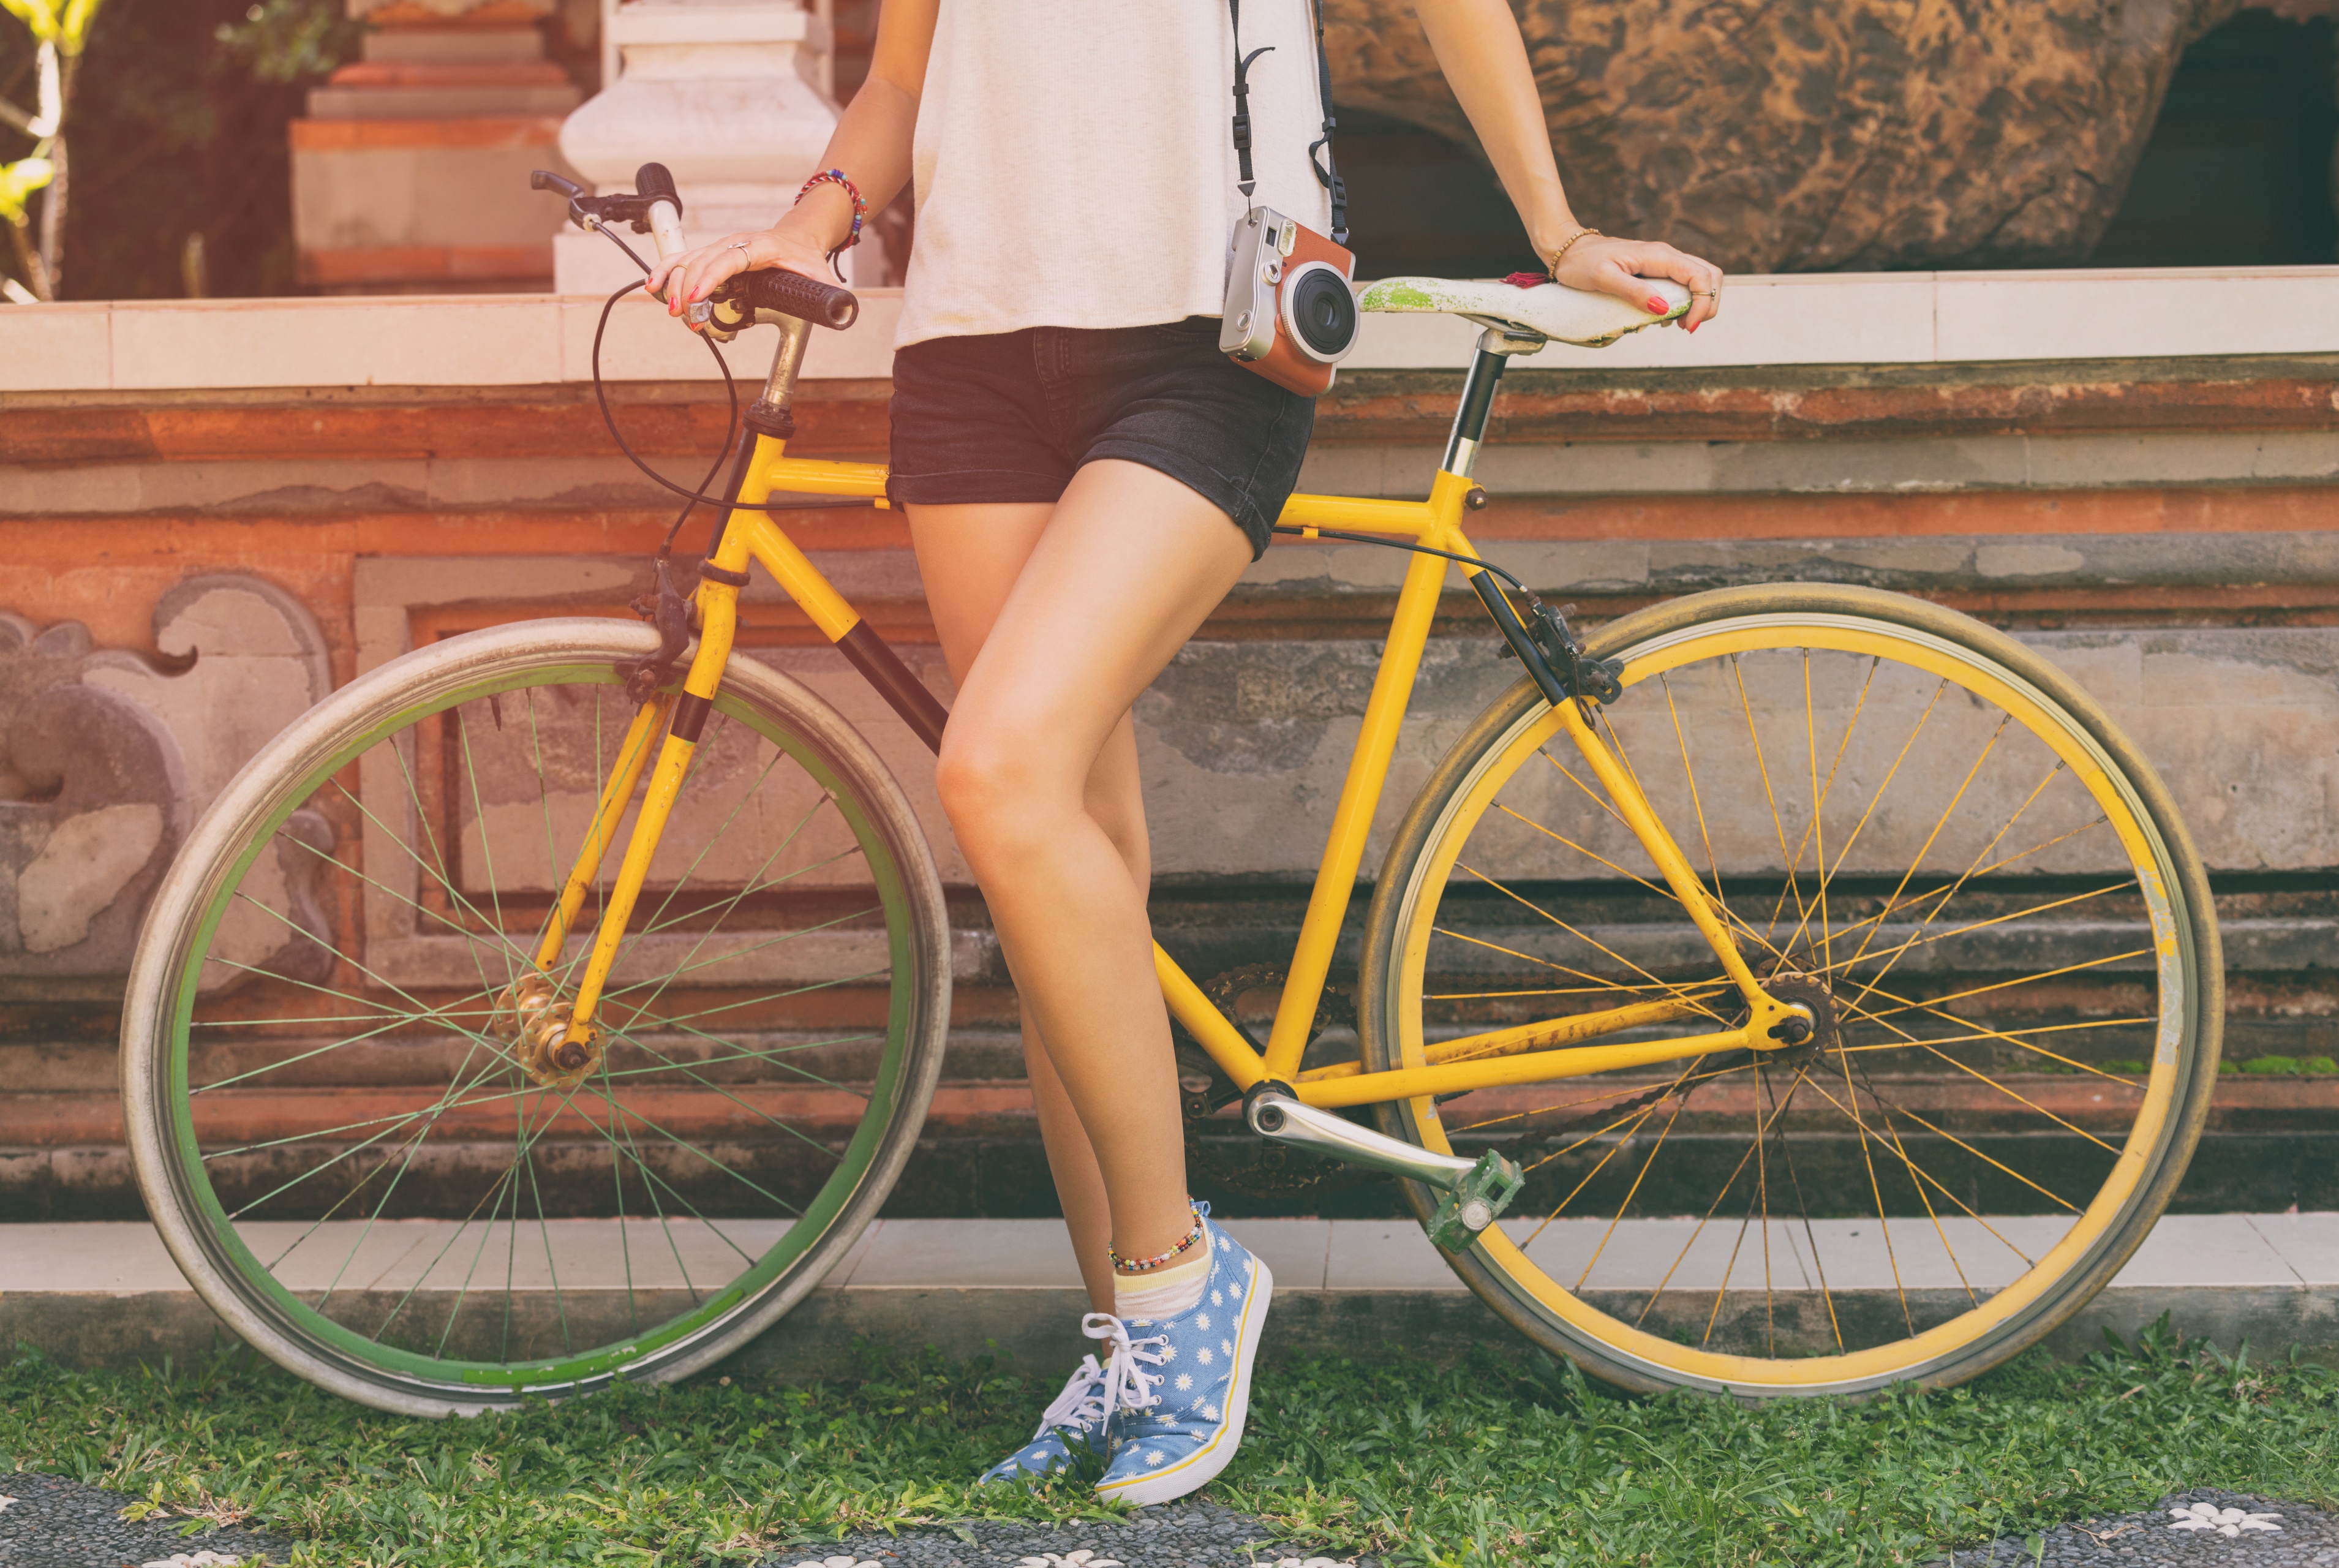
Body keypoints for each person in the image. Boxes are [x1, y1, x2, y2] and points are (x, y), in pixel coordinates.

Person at [649, 0, 1722, 1506]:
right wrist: (809, 226)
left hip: (1204, 337)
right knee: (1054, 857)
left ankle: (1177, 1277)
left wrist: (1557, 225)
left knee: (996, 769)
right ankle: (1129, 1340)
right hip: (971, 349)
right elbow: (903, 79)